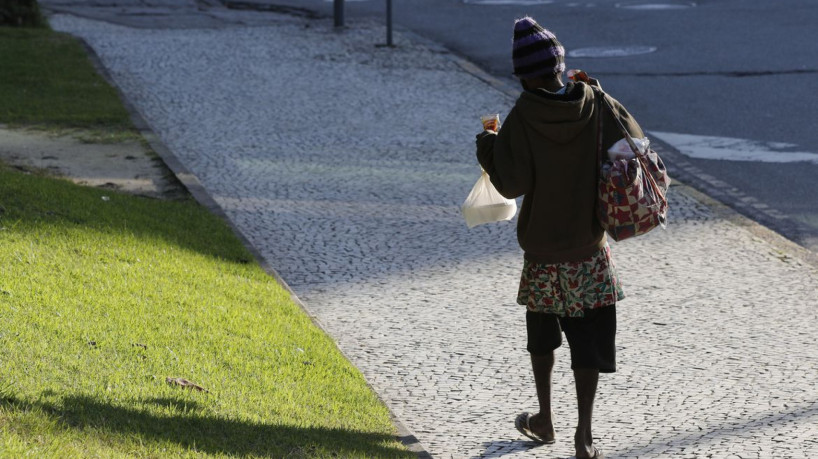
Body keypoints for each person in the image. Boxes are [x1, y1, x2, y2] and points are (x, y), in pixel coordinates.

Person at [475, 16, 645, 459]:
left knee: (543, 337)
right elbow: (636, 140)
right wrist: (602, 91)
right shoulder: (593, 101)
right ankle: (583, 436)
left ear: (525, 76)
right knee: (587, 340)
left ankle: (546, 419)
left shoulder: (524, 114)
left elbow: (511, 183)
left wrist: (487, 144)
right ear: (559, 66)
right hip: (588, 248)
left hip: (544, 252)